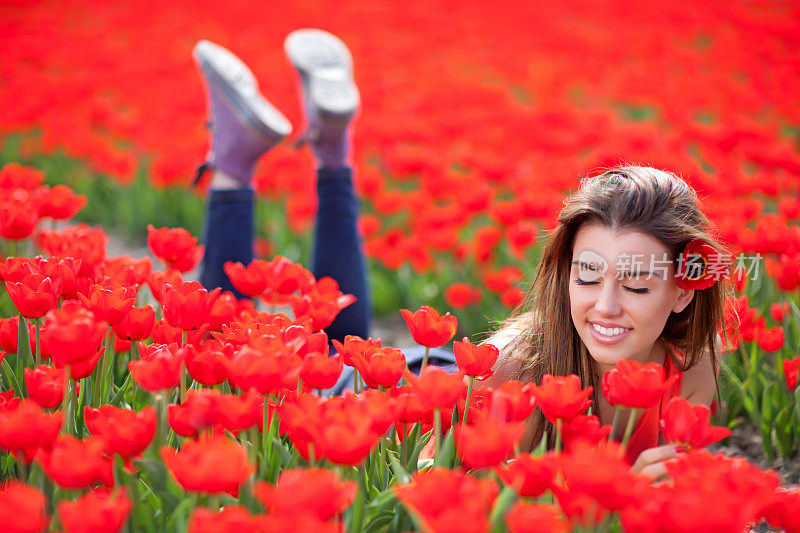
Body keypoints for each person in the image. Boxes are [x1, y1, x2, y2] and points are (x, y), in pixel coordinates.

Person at [481, 166, 729, 479]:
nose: (605, 307)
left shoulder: (692, 362)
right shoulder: (506, 371)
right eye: (587, 277)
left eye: (636, 286)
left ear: (682, 293)